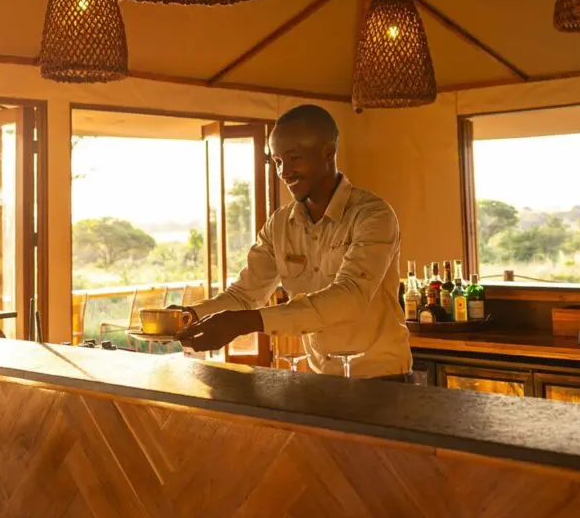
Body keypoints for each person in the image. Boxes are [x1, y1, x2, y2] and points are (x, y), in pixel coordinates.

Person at [175, 104, 412, 380]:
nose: (284, 172)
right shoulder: (279, 225)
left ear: (328, 153)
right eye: (276, 162)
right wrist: (188, 315)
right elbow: (244, 295)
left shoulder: (373, 215)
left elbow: (350, 297)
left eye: (294, 158)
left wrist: (247, 322)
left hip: (382, 381)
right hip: (319, 379)